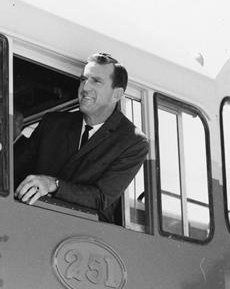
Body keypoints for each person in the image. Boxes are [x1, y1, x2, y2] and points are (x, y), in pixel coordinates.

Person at [13, 52, 148, 223]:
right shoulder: (52, 123)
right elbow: (14, 170)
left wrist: (53, 184)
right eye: (83, 79)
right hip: (30, 220)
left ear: (117, 94)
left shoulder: (133, 142)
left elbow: (100, 198)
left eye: (96, 81)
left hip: (83, 235)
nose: (84, 88)